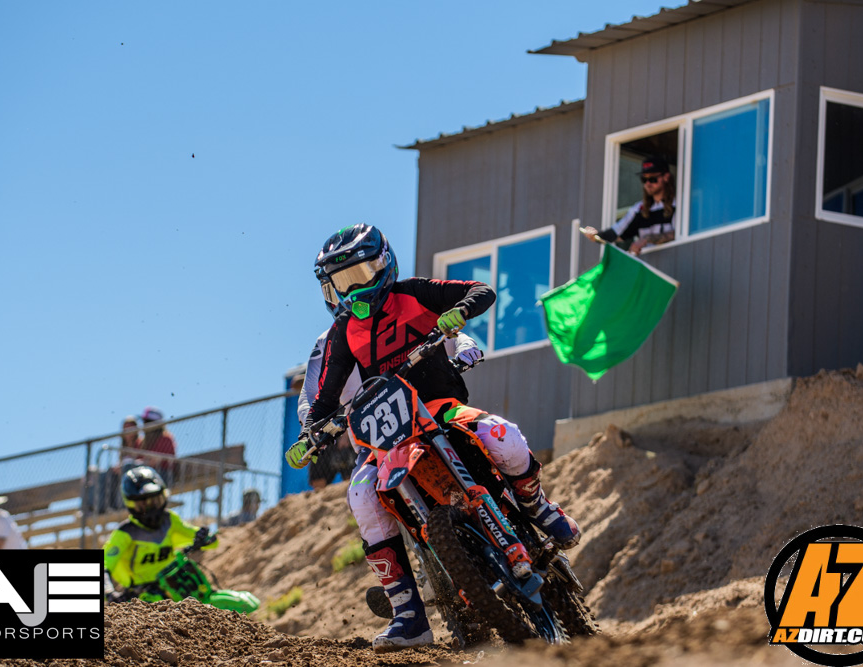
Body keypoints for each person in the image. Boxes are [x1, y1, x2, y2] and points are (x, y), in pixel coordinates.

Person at [287, 224, 580, 654]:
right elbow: (323, 394)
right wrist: (311, 431)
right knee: (361, 496)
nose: (352, 290)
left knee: (501, 434)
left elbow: (480, 291)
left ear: (383, 264)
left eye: (360, 275)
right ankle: (407, 613)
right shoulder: (341, 334)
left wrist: (459, 315)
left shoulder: (413, 293)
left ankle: (537, 505)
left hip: (438, 407)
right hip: (383, 439)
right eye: (341, 283)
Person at [297, 287, 483, 491]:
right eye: (340, 288)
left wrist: (466, 348)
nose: (352, 296)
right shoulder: (325, 342)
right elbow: (308, 396)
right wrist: (315, 431)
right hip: (371, 442)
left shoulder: (397, 315)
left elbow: (452, 337)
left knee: (489, 438)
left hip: (428, 412)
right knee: (361, 496)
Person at [103, 466, 217, 598]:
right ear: (131, 504)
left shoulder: (170, 520)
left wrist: (204, 538)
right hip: (142, 596)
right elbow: (103, 565)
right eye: (144, 505)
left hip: (176, 584)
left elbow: (209, 541)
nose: (152, 509)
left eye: (155, 501)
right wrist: (108, 593)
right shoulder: (125, 533)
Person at [581, 156, 676, 255]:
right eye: (644, 179)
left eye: (652, 179)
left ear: (666, 177)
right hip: (646, 262)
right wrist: (596, 235)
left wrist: (646, 239)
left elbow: (678, 234)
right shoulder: (639, 209)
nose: (647, 184)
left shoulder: (678, 204)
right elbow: (616, 234)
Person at [140, 407, 177, 485]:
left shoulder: (165, 438)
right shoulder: (143, 442)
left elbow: (156, 461)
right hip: (147, 473)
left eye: (147, 422)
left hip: (163, 474)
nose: (144, 424)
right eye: (144, 421)